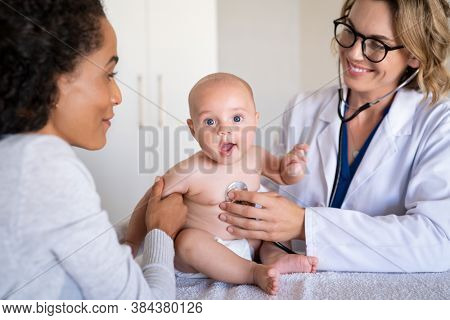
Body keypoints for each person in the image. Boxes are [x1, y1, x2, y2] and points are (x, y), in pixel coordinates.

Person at [219, 0, 450, 273]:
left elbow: (437, 242)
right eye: (350, 31)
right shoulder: (304, 108)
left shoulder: (438, 123)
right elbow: (269, 197)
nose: (353, 53)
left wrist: (306, 225)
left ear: (414, 55)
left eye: (376, 44)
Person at [0, 0, 187, 299]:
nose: (117, 96)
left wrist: (133, 229)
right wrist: (161, 233)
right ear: (54, 80)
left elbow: (74, 251)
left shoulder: (14, 154)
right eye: (109, 75)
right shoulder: (43, 166)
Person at [125, 73, 318, 295]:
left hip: (247, 242)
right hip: (206, 255)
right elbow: (152, 201)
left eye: (236, 119)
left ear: (255, 120)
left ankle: (276, 259)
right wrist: (131, 241)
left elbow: (283, 175)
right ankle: (252, 272)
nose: (224, 130)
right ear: (193, 129)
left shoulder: (255, 157)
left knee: (273, 214)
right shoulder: (191, 170)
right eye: (210, 121)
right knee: (188, 242)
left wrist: (293, 168)